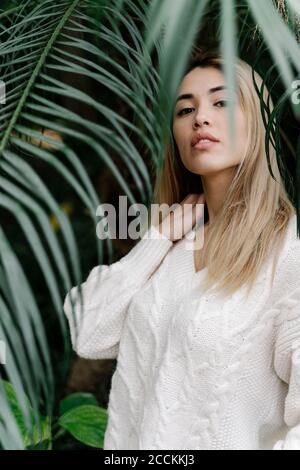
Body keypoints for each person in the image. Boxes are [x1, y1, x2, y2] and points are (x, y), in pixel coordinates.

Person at [63, 52, 300, 450]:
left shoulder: (286, 258)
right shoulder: (168, 251)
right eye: (185, 108)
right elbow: (88, 333)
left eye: (221, 102)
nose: (200, 118)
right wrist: (156, 238)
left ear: (258, 122)